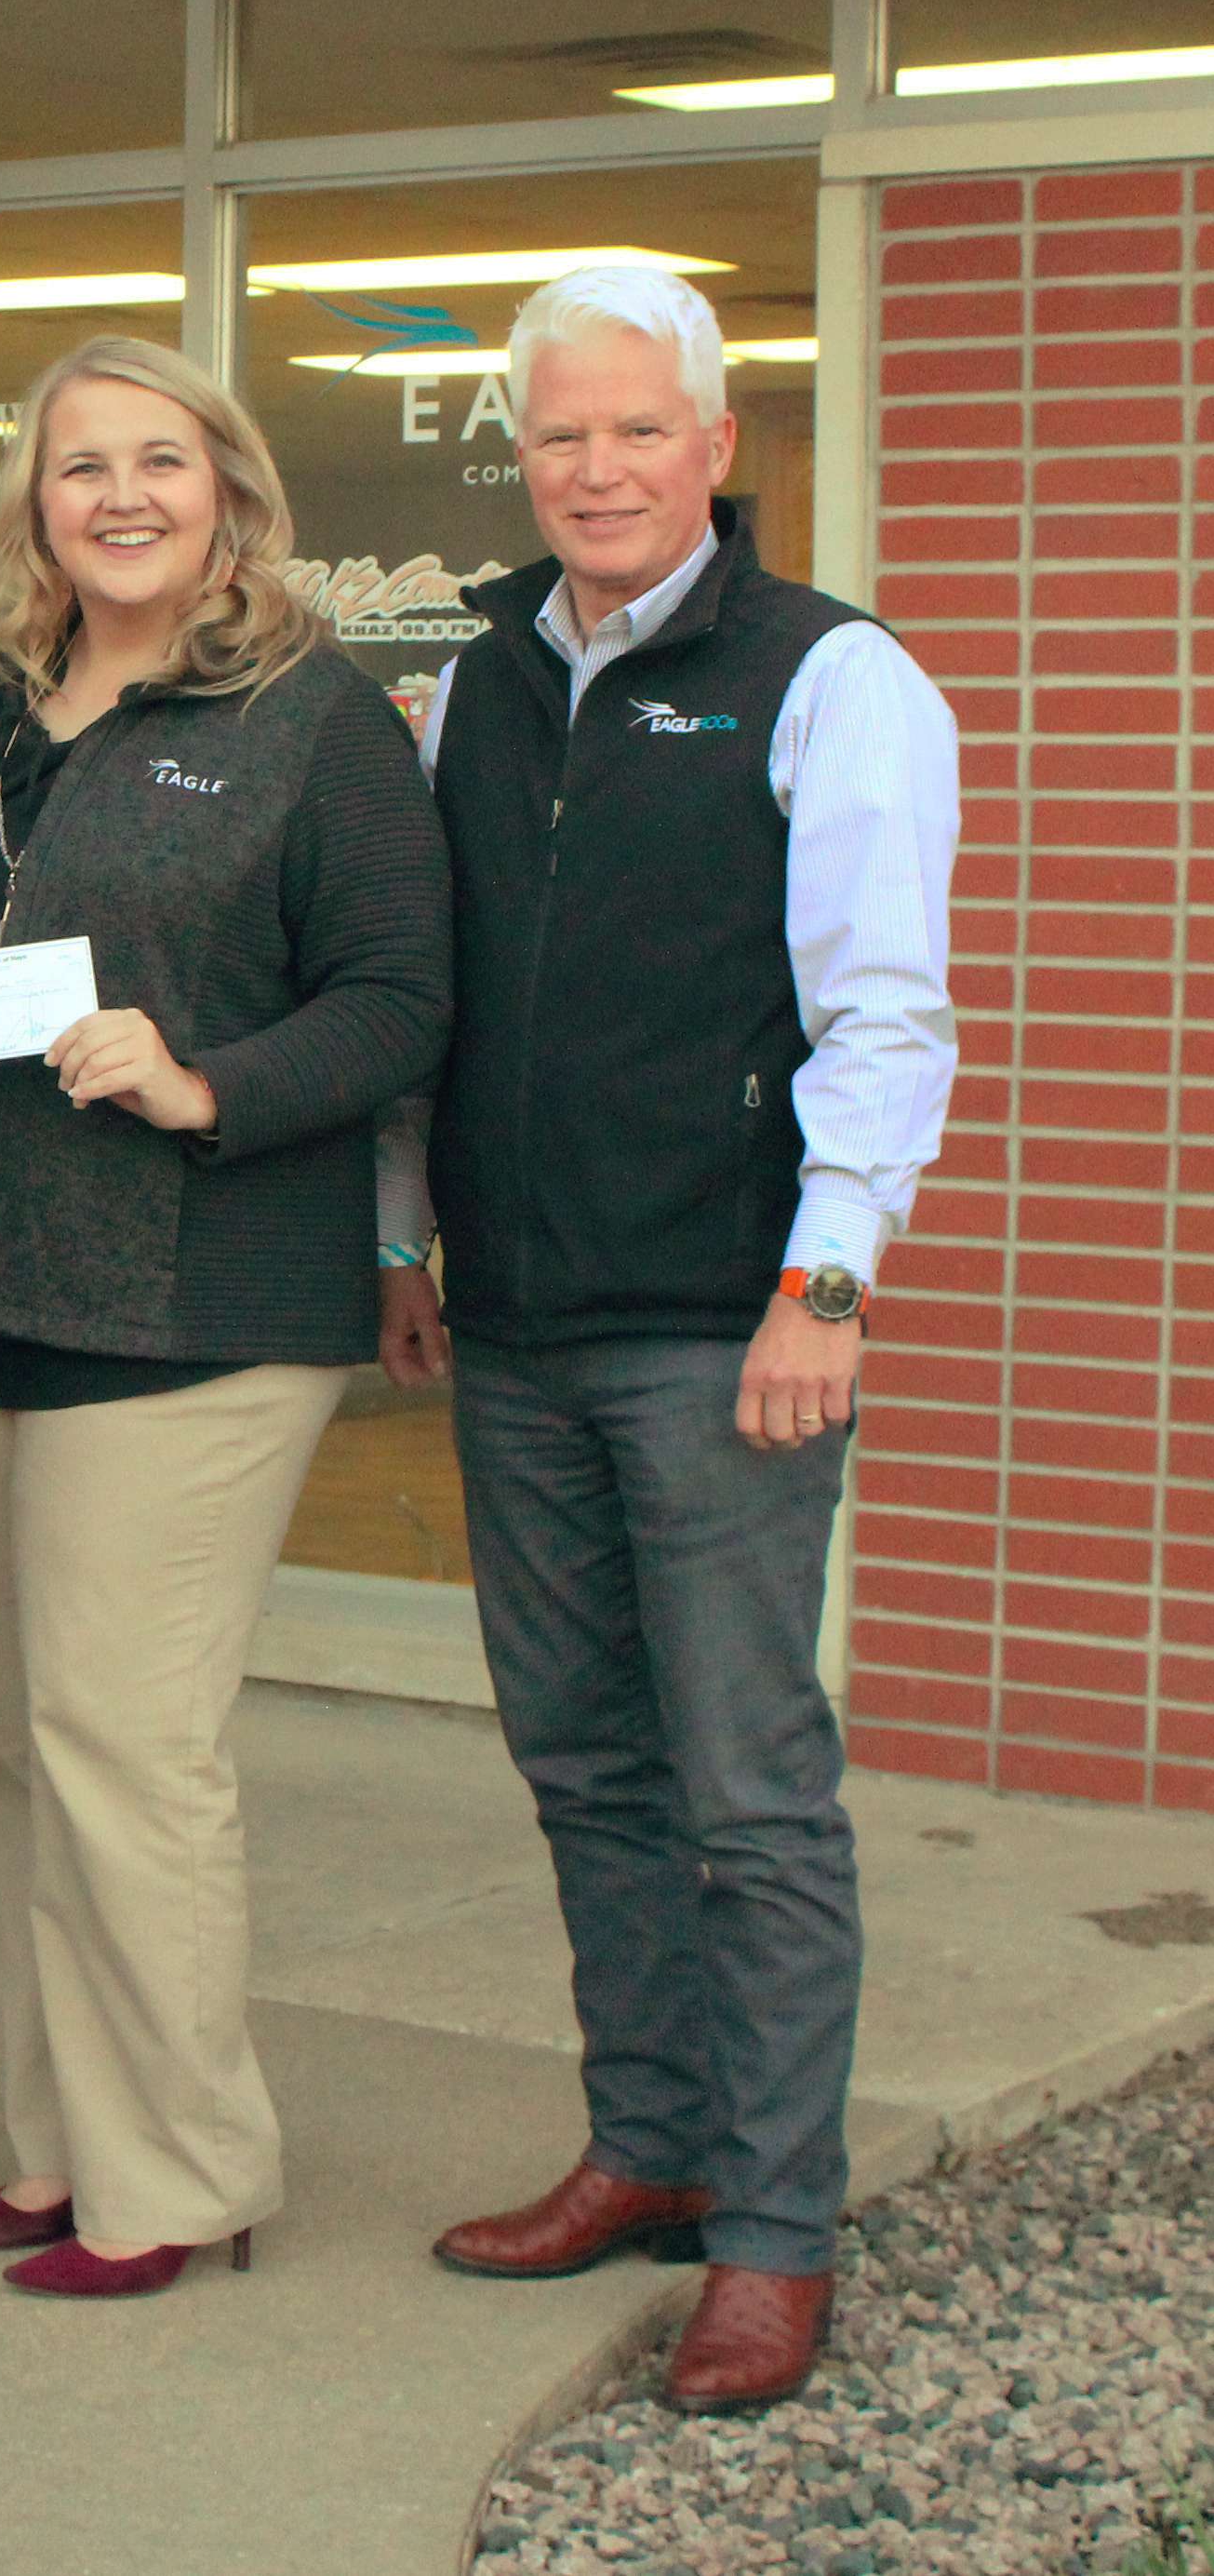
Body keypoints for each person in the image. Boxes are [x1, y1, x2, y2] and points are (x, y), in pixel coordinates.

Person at [389, 267, 957, 2414]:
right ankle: (650, 2141)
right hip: (519, 1320)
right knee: (585, 1762)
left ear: (719, 445)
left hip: (726, 1329)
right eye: (562, 436)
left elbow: (883, 1010)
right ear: (520, 456)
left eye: (641, 431)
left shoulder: (832, 679)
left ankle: (777, 2231)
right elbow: (433, 999)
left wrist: (828, 1280)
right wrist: (399, 1237)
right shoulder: (474, 692)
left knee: (748, 1788)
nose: (601, 470)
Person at [0, 335, 451, 2302]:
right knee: (8, 1744)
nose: (120, 494)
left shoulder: (316, 716)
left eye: (159, 461)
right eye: (80, 465)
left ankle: (185, 2169)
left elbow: (395, 997)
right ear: (33, 503)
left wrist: (209, 1081)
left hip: (191, 1305)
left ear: (231, 492)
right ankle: (62, 2142)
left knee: (124, 1739)